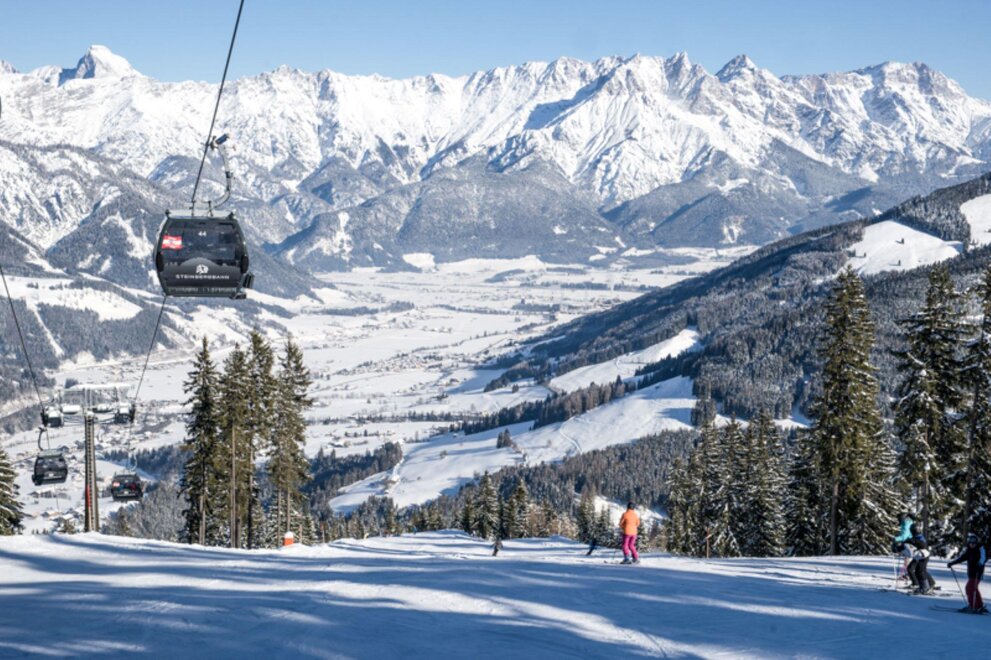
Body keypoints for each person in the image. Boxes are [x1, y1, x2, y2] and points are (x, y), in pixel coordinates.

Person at [948, 532, 987, 613]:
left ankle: (972, 606)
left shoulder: (980, 549)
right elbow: (961, 558)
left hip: (977, 574)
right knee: (974, 588)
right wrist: (952, 563)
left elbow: (983, 559)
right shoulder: (969, 551)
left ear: (976, 543)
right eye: (970, 543)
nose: (972, 544)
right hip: (971, 573)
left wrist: (979, 565)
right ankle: (979, 606)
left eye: (973, 543)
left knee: (969, 588)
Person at [905, 523, 935, 594]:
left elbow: (923, 545)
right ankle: (925, 585)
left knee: (920, 571)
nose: (913, 532)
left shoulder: (920, 537)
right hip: (919, 555)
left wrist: (913, 541)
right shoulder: (915, 537)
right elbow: (911, 542)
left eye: (913, 530)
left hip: (924, 555)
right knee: (918, 570)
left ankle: (925, 587)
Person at [893, 512, 916, 586]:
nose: (898, 520)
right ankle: (906, 574)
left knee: (908, 558)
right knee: (907, 558)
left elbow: (904, 536)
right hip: (909, 543)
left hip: (909, 543)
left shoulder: (906, 524)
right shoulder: (906, 523)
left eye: (899, 518)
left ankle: (908, 575)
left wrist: (896, 539)